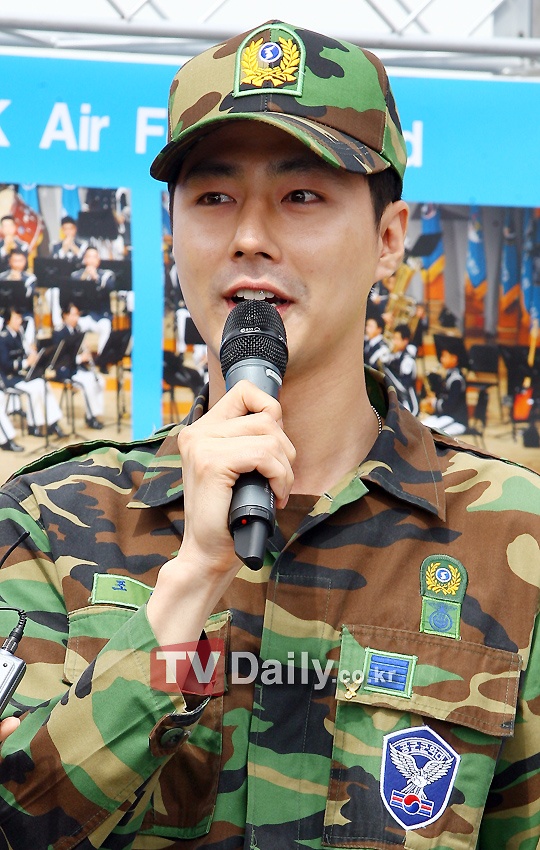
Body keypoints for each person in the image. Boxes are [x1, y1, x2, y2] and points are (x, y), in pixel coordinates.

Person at [0, 21, 537, 850]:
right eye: (213, 198)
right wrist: (186, 587)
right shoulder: (49, 520)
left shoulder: (513, 535)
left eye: (302, 196)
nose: (249, 236)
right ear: (173, 232)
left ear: (389, 238)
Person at [0, 306, 64, 438]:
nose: (20, 321)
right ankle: (33, 425)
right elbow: (5, 364)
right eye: (16, 318)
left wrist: (31, 353)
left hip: (20, 375)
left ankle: (53, 422)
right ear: (8, 320)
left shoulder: (18, 334)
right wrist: (26, 362)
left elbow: (22, 354)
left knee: (43, 384)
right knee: (35, 388)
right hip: (9, 378)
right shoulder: (3, 338)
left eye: (20, 318)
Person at [52, 302, 105, 430]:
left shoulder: (77, 330)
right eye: (73, 315)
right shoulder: (59, 333)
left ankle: (92, 413)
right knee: (88, 382)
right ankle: (91, 418)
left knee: (100, 381)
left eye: (77, 315)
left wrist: (84, 352)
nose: (76, 318)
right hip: (65, 370)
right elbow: (60, 358)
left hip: (76, 368)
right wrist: (80, 358)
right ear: (65, 315)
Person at [69, 245, 116, 354]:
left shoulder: (106, 275)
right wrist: (83, 279)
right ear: (84, 259)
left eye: (94, 257)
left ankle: (101, 358)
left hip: (100, 316)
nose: (91, 260)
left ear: (98, 260)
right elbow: (71, 294)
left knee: (106, 326)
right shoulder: (76, 275)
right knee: (72, 326)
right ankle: (77, 358)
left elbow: (109, 288)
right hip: (83, 316)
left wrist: (96, 278)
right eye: (89, 257)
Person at [420, 335, 469, 435]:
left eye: (444, 356)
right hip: (445, 417)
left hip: (456, 420)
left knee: (427, 432)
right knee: (419, 426)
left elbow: (449, 406)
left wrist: (434, 402)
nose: (441, 359)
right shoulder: (448, 376)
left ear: (454, 358)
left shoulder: (456, 380)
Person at [0, 248, 37, 345]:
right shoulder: (2, 277)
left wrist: (19, 283)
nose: (17, 264)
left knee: (29, 320)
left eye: (20, 261)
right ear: (10, 261)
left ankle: (27, 346)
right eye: (15, 261)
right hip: (4, 312)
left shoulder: (30, 278)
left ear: (25, 261)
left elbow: (29, 297)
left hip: (23, 312)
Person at [384, 322, 419, 415]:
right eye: (393, 338)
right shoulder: (395, 356)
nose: (394, 342)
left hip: (408, 403)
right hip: (397, 399)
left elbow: (403, 388)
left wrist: (386, 370)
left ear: (405, 341)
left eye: (397, 339)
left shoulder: (408, 360)